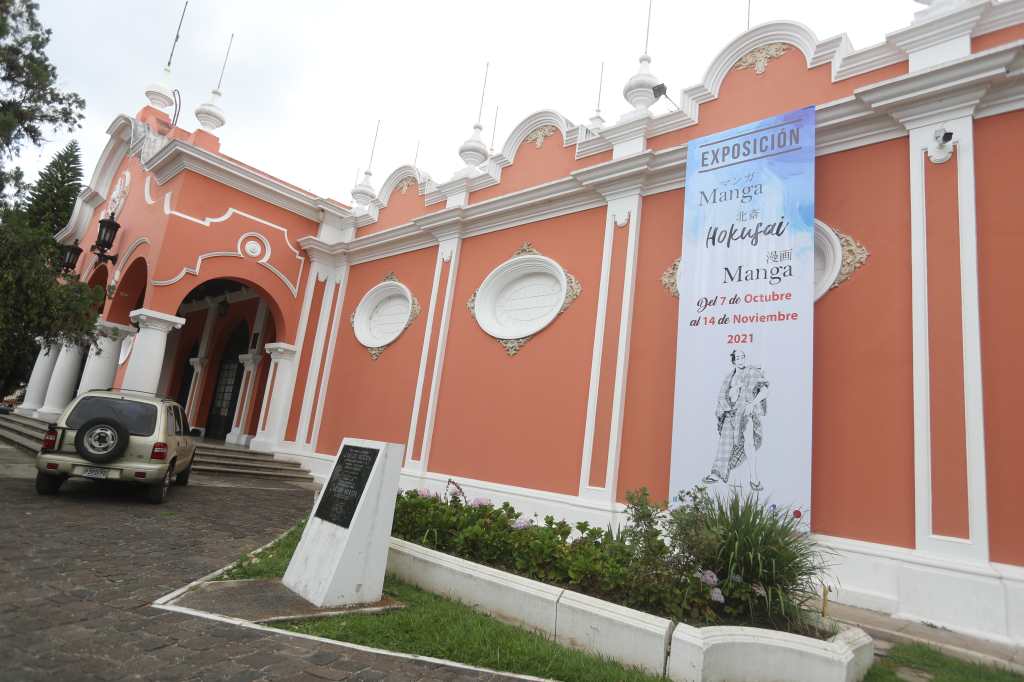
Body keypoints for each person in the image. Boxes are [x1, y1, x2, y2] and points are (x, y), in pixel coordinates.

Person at [703, 349, 769, 490]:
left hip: (746, 413)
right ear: (733, 361)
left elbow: (764, 391)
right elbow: (728, 398)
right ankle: (717, 473)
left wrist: (752, 403)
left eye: (742, 357)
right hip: (731, 413)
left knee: (749, 445)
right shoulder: (729, 378)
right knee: (724, 444)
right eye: (737, 358)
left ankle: (754, 479)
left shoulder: (753, 372)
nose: (740, 360)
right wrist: (735, 390)